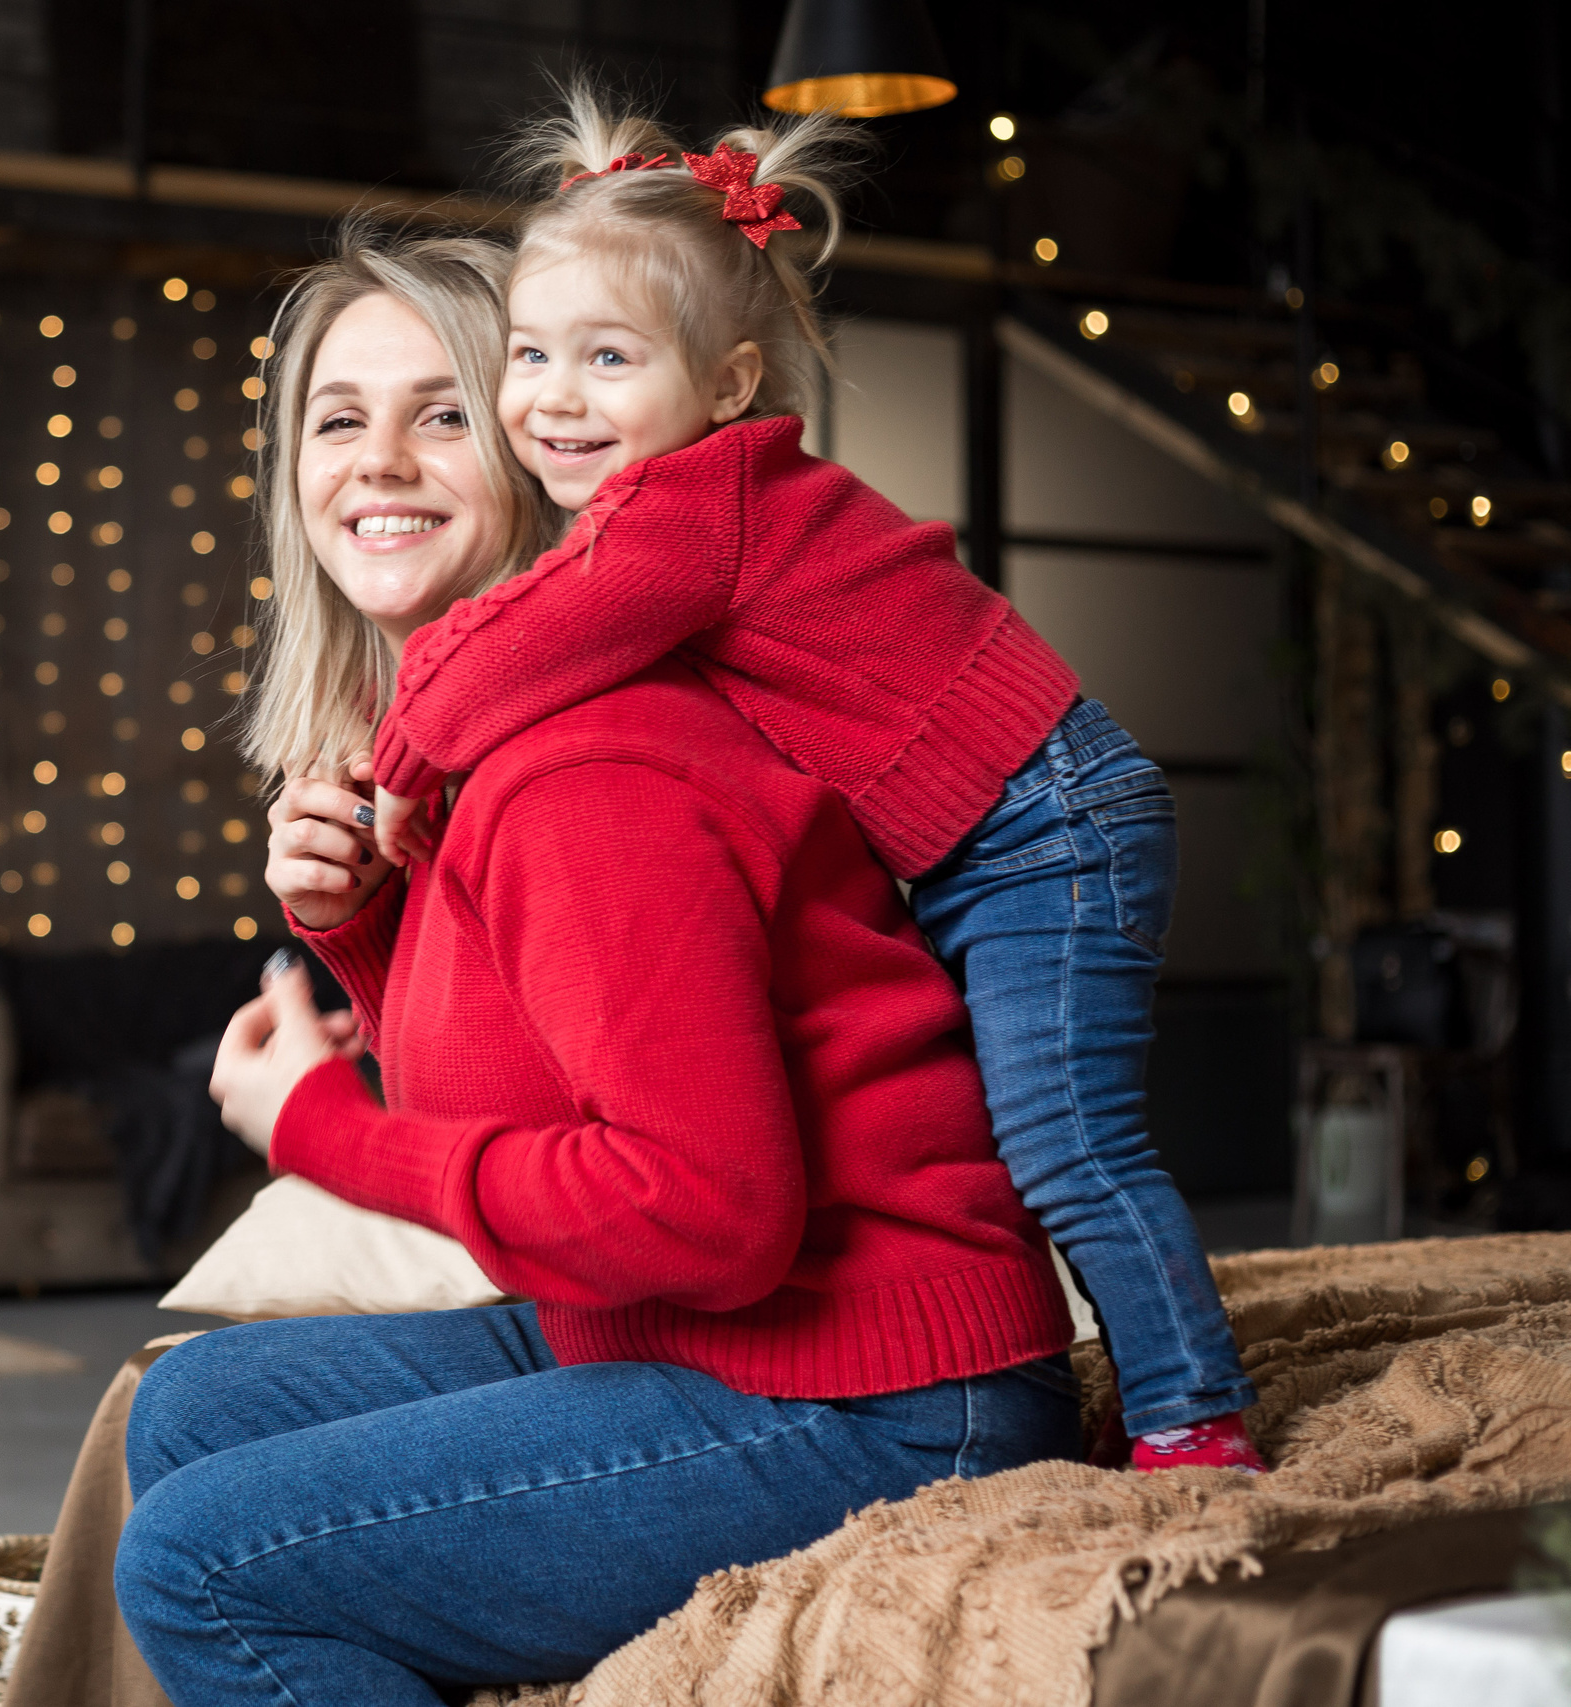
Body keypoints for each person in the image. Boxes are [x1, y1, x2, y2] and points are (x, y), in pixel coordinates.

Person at [110, 228, 1083, 1705]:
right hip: (691, 1334)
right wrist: (365, 921)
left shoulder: (584, 764)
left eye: (443, 411)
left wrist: (326, 1132)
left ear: (542, 444)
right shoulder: (470, 754)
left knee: (195, 1561)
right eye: (336, 417)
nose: (378, 460)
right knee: (186, 1413)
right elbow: (531, 1066)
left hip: (874, 1393)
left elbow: (707, 1214)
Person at [362, 88, 1262, 1471]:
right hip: (997, 831)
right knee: (1002, 1125)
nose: (552, 395)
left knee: (1067, 1139)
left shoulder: (693, 506)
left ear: (726, 387)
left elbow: (514, 647)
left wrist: (405, 761)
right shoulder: (692, 513)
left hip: (1044, 827)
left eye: (611, 358)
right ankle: (1070, 1366)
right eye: (531, 353)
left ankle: (1195, 1414)